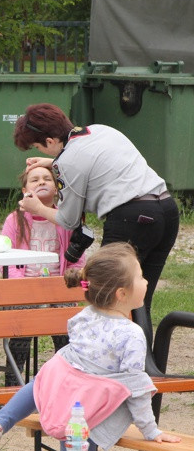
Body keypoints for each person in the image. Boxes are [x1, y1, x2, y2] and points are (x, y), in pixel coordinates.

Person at [0, 243, 181, 451]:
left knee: (38, 385)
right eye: (140, 277)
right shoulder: (132, 334)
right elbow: (136, 386)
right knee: (80, 435)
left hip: (60, 382)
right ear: (122, 294)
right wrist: (151, 430)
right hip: (85, 407)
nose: (146, 281)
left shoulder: (84, 316)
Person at [14, 103, 179, 323]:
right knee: (139, 302)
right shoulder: (100, 130)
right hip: (166, 209)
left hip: (132, 218)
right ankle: (145, 358)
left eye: (39, 147)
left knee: (109, 301)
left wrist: (39, 209)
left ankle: (114, 357)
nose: (40, 151)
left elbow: (68, 220)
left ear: (50, 141)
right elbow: (94, 162)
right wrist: (54, 163)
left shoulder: (68, 161)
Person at [0, 166, 85, 386]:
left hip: (59, 289)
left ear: (57, 189)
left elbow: (78, 260)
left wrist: (66, 284)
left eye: (47, 178)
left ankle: (67, 382)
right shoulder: (14, 220)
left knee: (67, 326)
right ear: (24, 190)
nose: (41, 182)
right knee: (21, 324)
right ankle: (13, 384)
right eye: (34, 179)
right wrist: (24, 290)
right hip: (24, 292)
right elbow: (6, 262)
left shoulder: (67, 221)